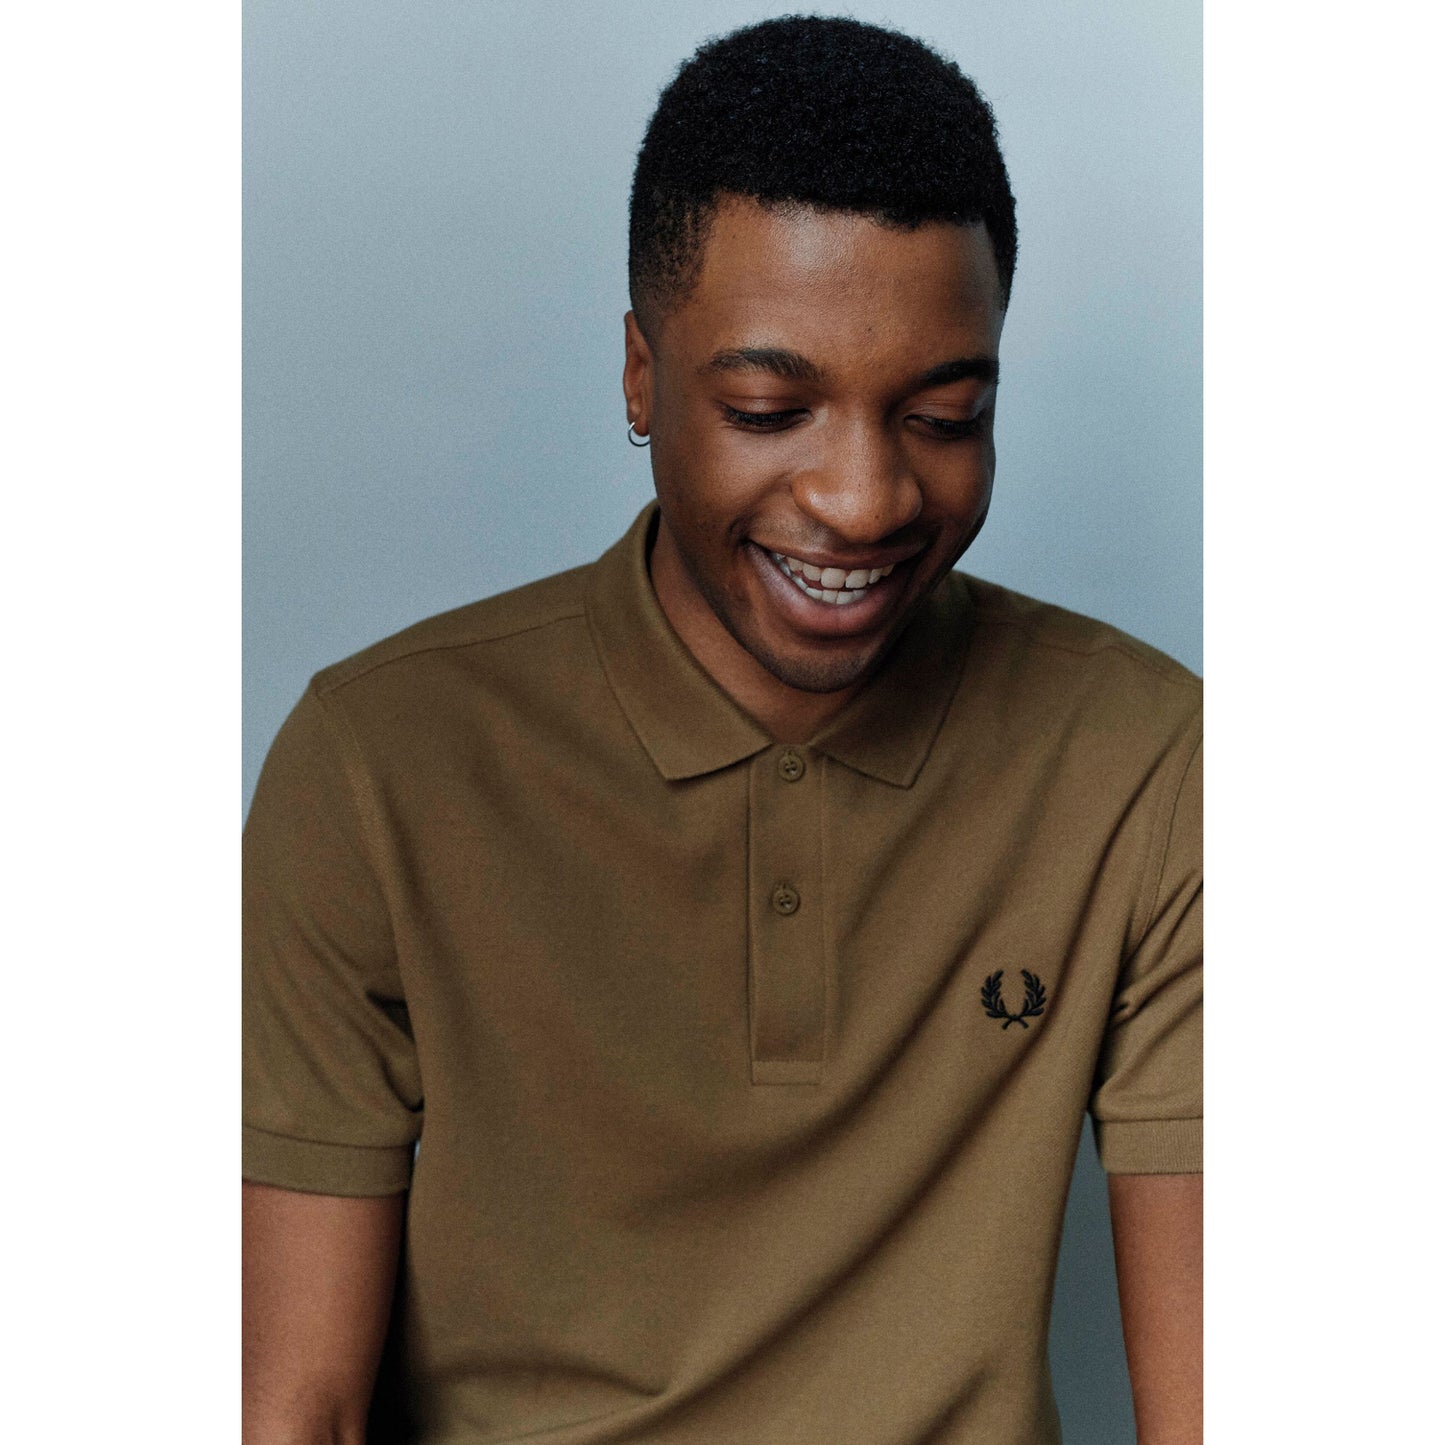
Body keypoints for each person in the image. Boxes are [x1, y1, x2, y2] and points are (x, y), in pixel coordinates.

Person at [243, 15, 1201, 1445]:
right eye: (768, 408)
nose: (864, 498)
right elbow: (290, 1403)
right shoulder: (374, 767)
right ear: (641, 377)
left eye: (945, 415)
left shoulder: (1148, 761)